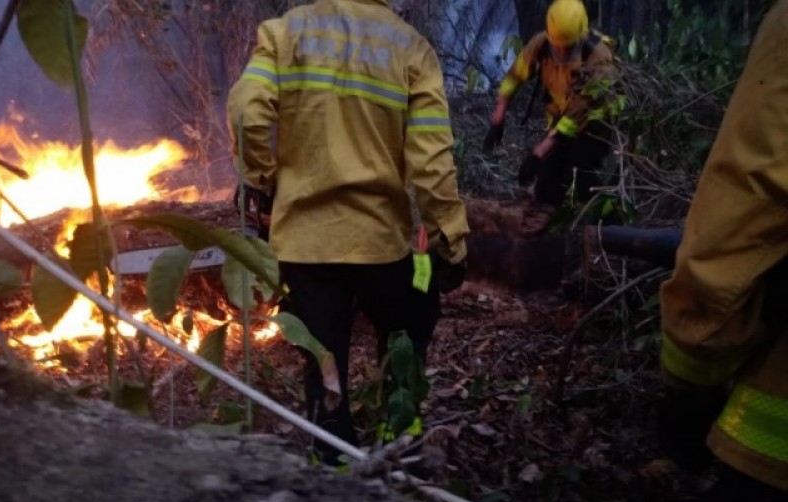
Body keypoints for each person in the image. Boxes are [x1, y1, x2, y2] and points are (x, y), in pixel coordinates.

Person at [227, 0, 469, 465]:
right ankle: (402, 436)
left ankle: (332, 455)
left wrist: (262, 180)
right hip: (385, 243)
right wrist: (449, 243)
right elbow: (433, 165)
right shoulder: (412, 49)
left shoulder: (284, 33)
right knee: (414, 317)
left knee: (323, 354)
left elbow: (246, 112)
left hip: (304, 244)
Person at [657, 1, 788, 502]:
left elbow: (742, 213)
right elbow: (522, 78)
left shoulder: (598, 58)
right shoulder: (543, 48)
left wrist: (689, 380)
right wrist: (501, 112)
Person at [483, 0, 624, 207]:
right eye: (555, 45)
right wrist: (498, 116)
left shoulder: (597, 59)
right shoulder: (541, 44)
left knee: (580, 170)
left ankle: (607, 225)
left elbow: (578, 113)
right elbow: (514, 76)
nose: (560, 52)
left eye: (566, 48)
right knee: (547, 184)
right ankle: (549, 226)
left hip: (597, 124)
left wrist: (539, 152)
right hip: (561, 124)